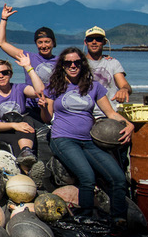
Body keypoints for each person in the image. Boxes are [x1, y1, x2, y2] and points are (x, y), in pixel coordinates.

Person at [32, 48, 134, 222]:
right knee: (87, 176)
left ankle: (119, 220)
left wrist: (129, 124)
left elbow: (110, 113)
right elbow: (47, 118)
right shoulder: (54, 87)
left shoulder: (94, 87)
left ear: (82, 65)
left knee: (118, 177)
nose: (73, 66)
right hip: (63, 139)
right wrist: (43, 106)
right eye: (68, 63)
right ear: (62, 66)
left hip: (89, 141)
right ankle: (86, 218)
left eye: (77, 62)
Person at [0, 59, 47, 171]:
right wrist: (14, 126)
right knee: (18, 136)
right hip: (3, 130)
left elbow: (40, 91)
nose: (1, 76)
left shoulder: (19, 88)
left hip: (22, 127)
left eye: (5, 72)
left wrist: (28, 68)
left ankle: (26, 153)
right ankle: (28, 170)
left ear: (10, 74)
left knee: (27, 119)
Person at [0, 6, 58, 88]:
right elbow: (1, 43)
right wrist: (4, 19)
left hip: (52, 99)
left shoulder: (61, 61)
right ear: (36, 44)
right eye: (40, 42)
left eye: (47, 42)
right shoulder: (28, 57)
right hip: (32, 99)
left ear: (53, 42)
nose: (43, 46)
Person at [83, 27, 132, 104]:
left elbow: (124, 85)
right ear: (85, 42)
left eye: (98, 39)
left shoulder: (113, 63)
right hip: (86, 112)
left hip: (109, 112)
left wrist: (124, 90)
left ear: (104, 42)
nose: (94, 42)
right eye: (90, 39)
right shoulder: (78, 63)